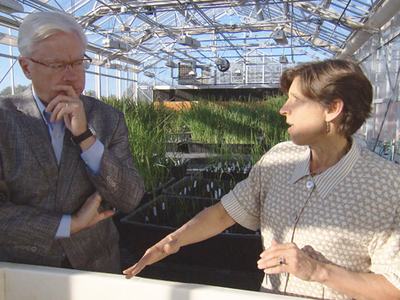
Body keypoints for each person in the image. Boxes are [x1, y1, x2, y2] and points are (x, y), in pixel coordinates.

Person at [123, 59, 400, 299]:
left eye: (296, 100)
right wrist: (172, 241)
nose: (283, 109)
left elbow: (395, 287)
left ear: (332, 108)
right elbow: (223, 214)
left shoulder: (386, 185)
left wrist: (318, 271)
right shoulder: (279, 159)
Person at [0, 11, 145, 273]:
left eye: (78, 63)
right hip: (25, 271)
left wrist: (85, 138)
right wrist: (70, 224)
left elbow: (131, 197)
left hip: (96, 267)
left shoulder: (107, 119)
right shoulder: (5, 120)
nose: (71, 75)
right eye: (57, 65)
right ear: (26, 67)